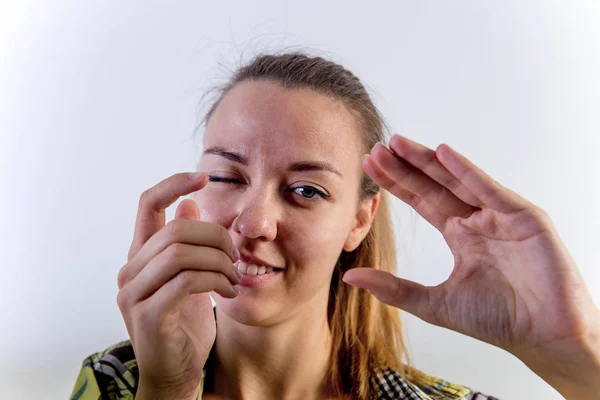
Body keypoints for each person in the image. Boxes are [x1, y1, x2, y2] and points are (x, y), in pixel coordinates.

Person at [69, 52, 600, 400]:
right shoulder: (117, 384)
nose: (253, 223)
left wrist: (576, 354)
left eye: (306, 191)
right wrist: (170, 386)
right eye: (227, 175)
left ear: (360, 220)